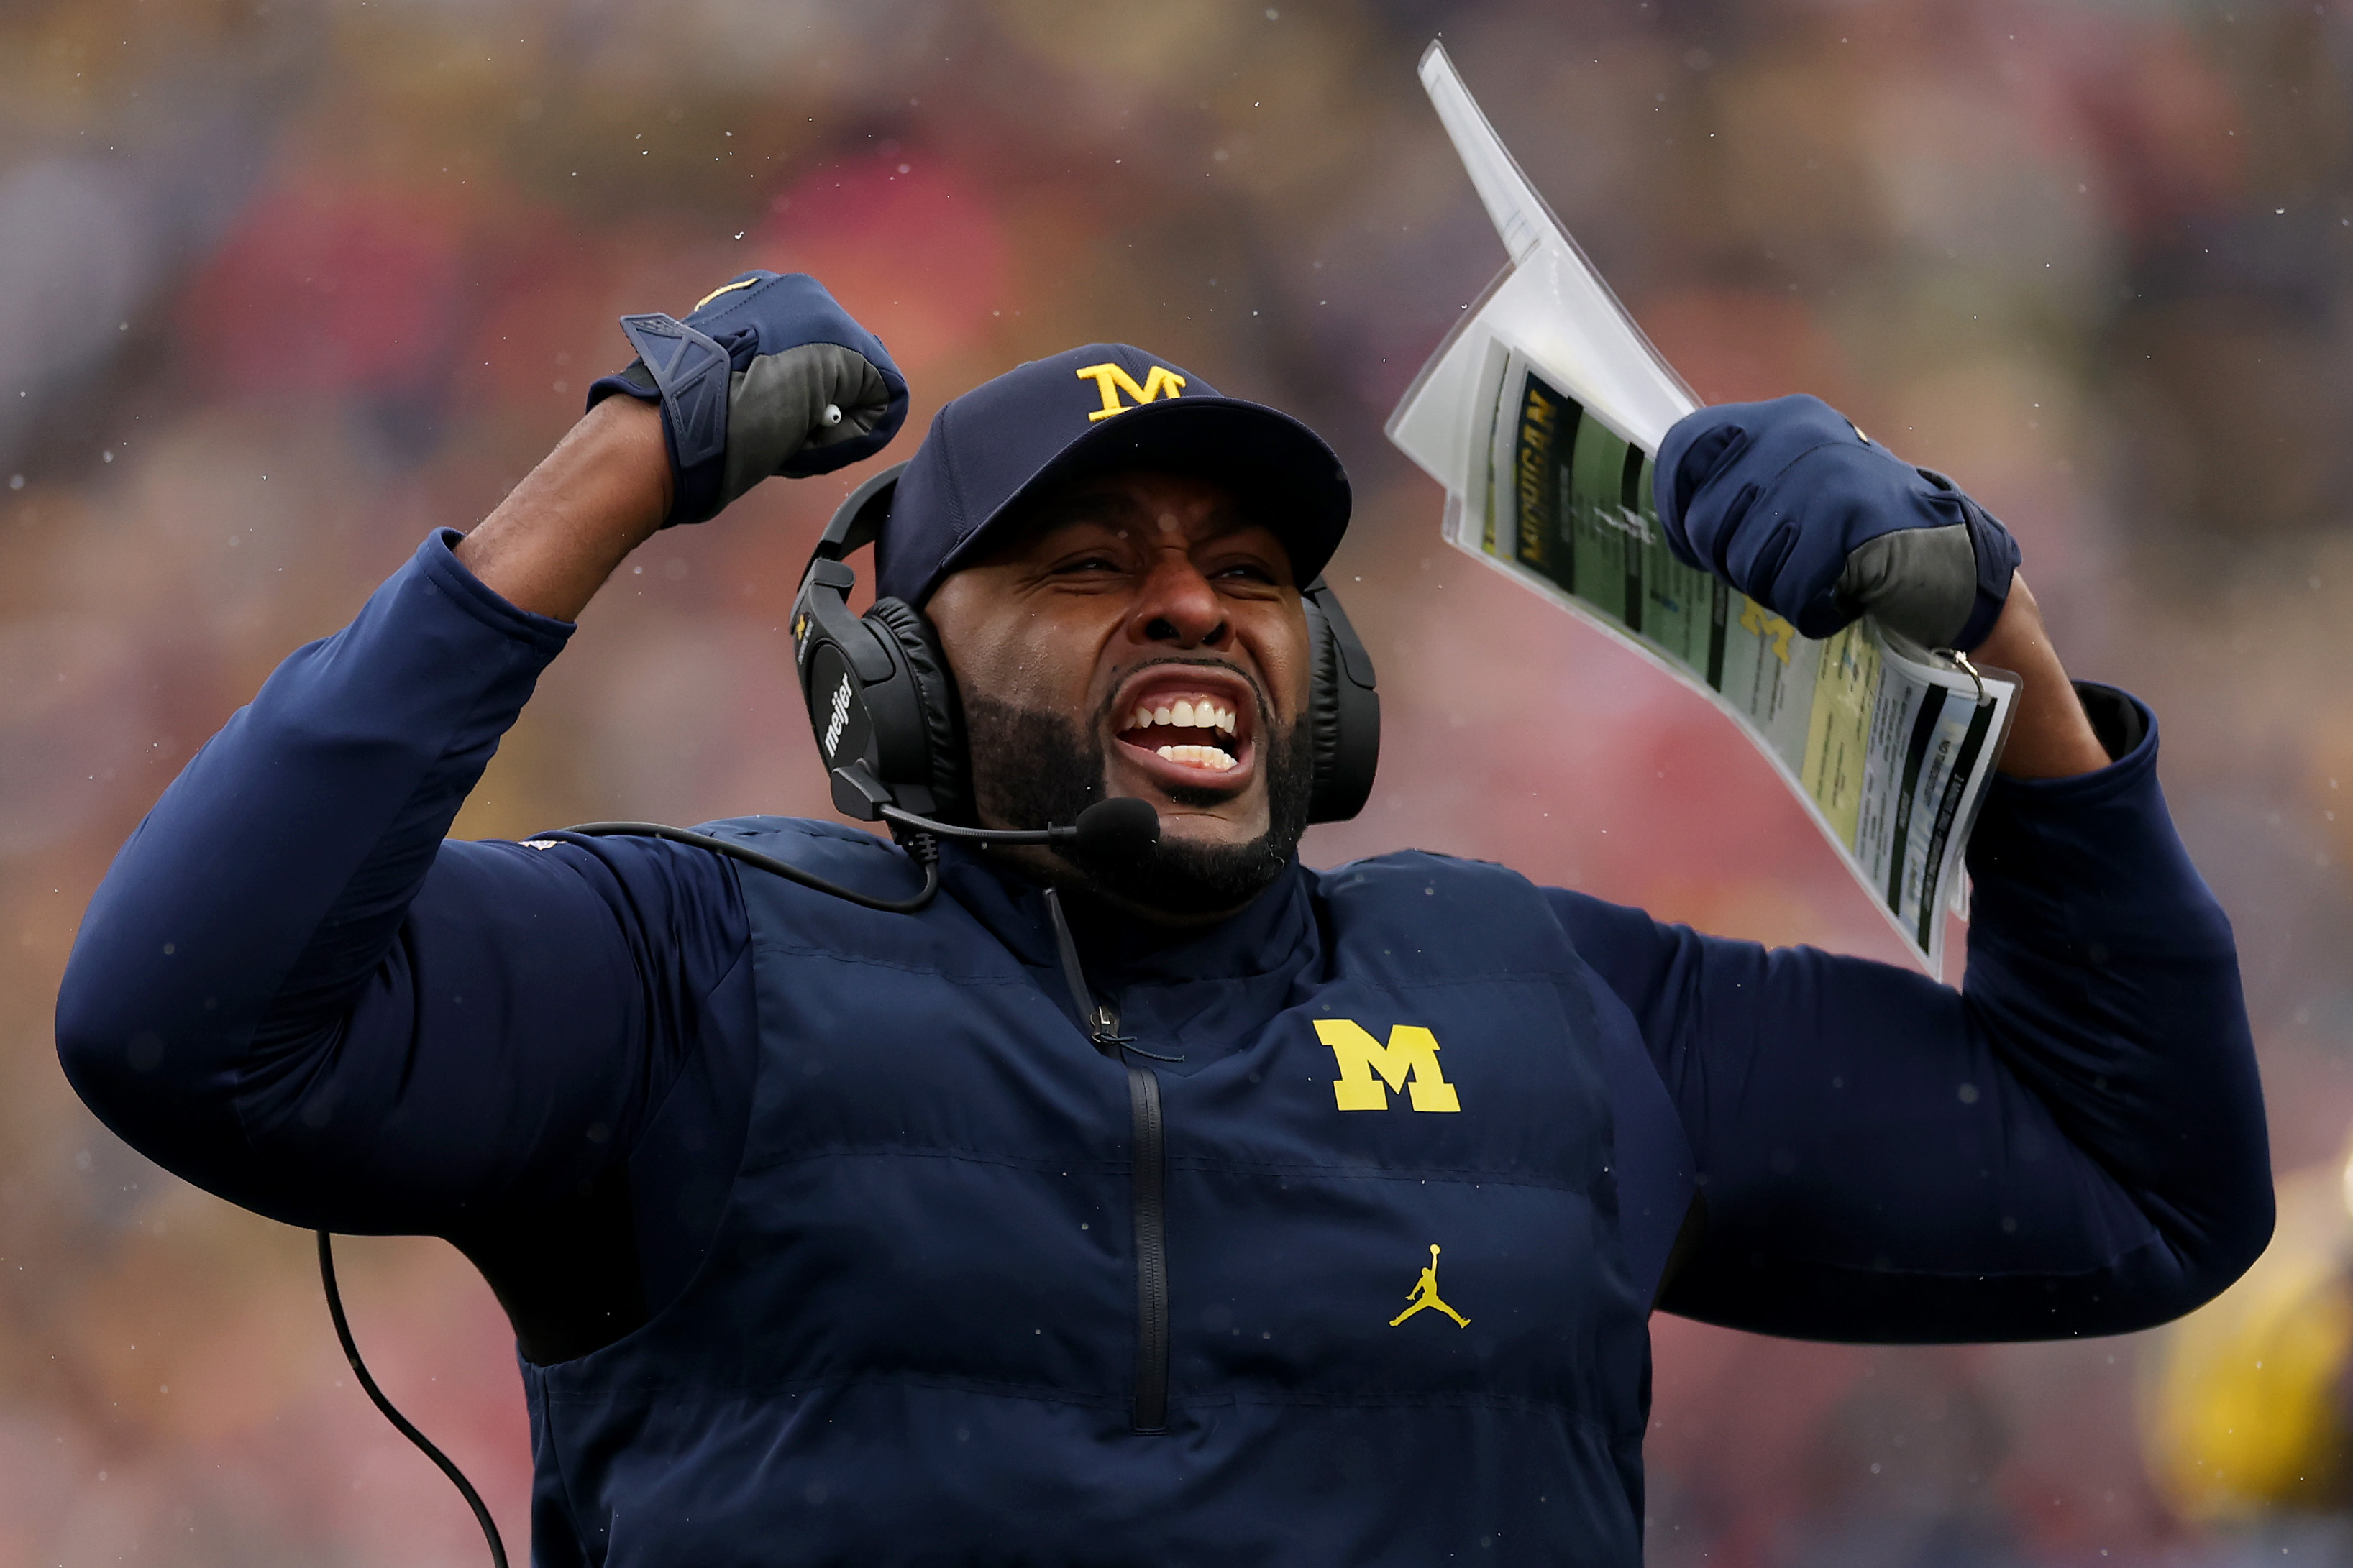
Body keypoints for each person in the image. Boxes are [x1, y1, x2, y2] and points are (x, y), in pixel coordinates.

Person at [55, 271, 2271, 1567]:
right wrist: (627, 461)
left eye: (1252, 567)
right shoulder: (683, 974)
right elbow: (183, 1012)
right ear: (884, 673)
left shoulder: (1548, 1001)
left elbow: (2137, 1180)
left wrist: (1992, 651)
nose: (1196, 602)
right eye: (1088, 561)